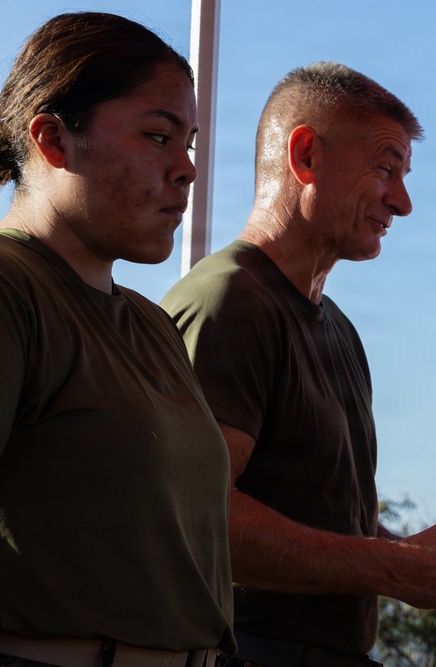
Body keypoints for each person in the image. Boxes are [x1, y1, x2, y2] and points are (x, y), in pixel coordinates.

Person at [160, 62, 436, 667]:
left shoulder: (338, 329)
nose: (404, 201)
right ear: (306, 154)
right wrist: (397, 567)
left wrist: (429, 558)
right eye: (386, 169)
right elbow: (198, 516)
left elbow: (333, 528)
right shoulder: (228, 304)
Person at [0, 12, 235, 667]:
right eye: (158, 136)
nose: (186, 169)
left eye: (189, 142)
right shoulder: (12, 288)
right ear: (51, 138)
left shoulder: (152, 323)